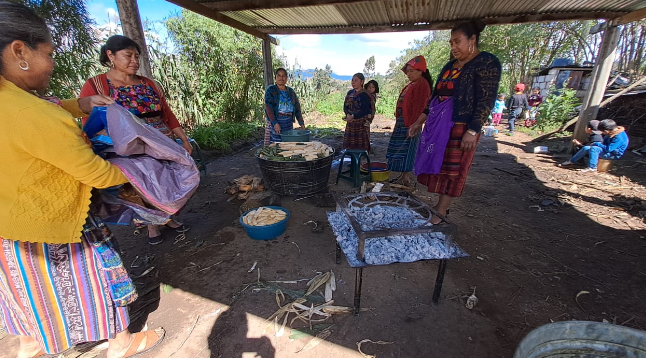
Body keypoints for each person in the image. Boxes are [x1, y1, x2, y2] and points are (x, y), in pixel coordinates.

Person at [0, 2, 164, 358]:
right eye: (48, 53)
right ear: (18, 51)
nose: (53, 63)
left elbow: (51, 106)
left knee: (30, 292)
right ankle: (121, 342)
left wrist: (80, 105)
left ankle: (32, 345)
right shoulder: (33, 113)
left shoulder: (12, 101)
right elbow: (94, 171)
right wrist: (144, 176)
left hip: (11, 224)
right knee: (98, 276)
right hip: (59, 220)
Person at [80, 35, 190, 245]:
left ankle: (168, 218)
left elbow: (167, 114)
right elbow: (90, 122)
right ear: (110, 55)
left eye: (137, 56)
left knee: (167, 181)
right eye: (128, 55)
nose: (134, 60)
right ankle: (151, 224)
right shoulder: (96, 85)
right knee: (141, 185)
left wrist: (183, 140)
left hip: (161, 143)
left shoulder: (149, 84)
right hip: (127, 148)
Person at [408, 20, 501, 224]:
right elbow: (434, 97)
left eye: (457, 41)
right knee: (439, 166)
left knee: (453, 170)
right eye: (451, 43)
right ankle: (439, 207)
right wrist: (418, 122)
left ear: (472, 40)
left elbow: (486, 99)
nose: (453, 47)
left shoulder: (486, 63)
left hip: (461, 126)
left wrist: (473, 130)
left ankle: (441, 211)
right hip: (437, 124)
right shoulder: (450, 66)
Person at [385, 55, 433, 186]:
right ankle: (402, 176)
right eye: (408, 71)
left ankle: (406, 178)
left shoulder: (422, 85)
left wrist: (414, 124)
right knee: (402, 149)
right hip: (404, 121)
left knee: (408, 149)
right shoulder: (413, 84)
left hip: (411, 123)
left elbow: (420, 107)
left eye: (411, 71)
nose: (408, 74)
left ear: (421, 71)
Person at [560, 119, 629, 172]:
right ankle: (572, 161)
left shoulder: (619, 138)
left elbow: (609, 149)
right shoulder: (612, 132)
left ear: (607, 131)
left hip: (613, 154)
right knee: (586, 148)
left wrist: (597, 144)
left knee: (594, 148)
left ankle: (592, 167)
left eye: (602, 132)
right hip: (606, 150)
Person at [264, 67, 304, 145]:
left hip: (288, 122)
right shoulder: (271, 90)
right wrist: (275, 123)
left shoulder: (291, 92)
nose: (281, 78)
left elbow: (297, 107)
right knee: (276, 144)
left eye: (284, 76)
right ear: (275, 77)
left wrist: (301, 122)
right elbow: (269, 108)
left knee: (288, 143)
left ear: (286, 78)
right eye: (279, 75)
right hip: (276, 121)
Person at [342, 73, 373, 151]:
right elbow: (345, 106)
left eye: (356, 80)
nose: (353, 82)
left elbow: (365, 110)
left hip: (361, 124)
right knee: (350, 147)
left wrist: (353, 116)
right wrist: (348, 115)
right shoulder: (350, 93)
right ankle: (353, 161)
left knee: (360, 147)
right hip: (350, 122)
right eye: (352, 80)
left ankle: (361, 162)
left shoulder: (365, 95)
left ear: (362, 82)